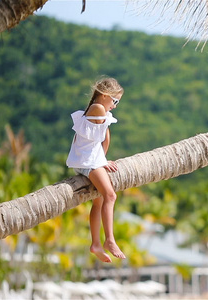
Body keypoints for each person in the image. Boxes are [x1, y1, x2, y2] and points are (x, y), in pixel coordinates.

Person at [66, 77, 126, 263]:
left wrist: (102, 160)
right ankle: (109, 239)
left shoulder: (98, 110)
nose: (115, 106)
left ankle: (96, 244)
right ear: (105, 95)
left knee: (99, 200)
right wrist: (100, 161)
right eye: (114, 101)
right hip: (87, 161)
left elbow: (99, 140)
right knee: (110, 196)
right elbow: (102, 139)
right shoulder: (98, 109)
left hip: (88, 159)